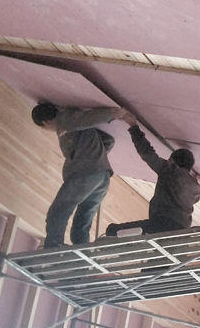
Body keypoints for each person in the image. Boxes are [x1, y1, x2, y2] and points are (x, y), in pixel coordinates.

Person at [32, 102, 132, 249]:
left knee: (58, 211)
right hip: (102, 177)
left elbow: (86, 118)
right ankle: (82, 252)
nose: (46, 130)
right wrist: (95, 156)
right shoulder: (77, 130)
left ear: (45, 123)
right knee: (82, 223)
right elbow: (108, 140)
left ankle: (53, 247)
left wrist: (110, 114)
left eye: (43, 128)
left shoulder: (63, 120)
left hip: (86, 175)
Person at [105, 117, 200, 236]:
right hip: (182, 231)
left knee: (113, 231)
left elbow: (147, 153)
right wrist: (196, 181)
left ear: (171, 161)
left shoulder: (170, 170)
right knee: (128, 236)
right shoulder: (195, 187)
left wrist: (133, 126)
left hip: (163, 223)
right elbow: (193, 196)